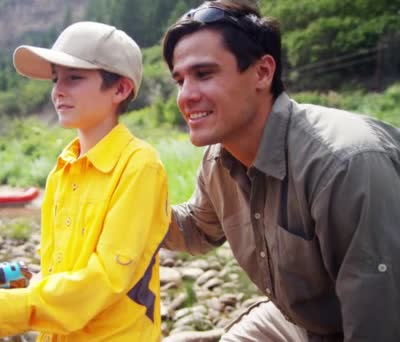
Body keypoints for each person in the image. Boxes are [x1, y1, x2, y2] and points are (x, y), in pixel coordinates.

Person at [161, 0, 400, 341]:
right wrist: (128, 211)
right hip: (306, 321)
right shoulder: (219, 159)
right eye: (179, 80)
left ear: (263, 72)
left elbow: (379, 324)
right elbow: (200, 229)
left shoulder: (344, 164)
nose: (185, 96)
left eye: (203, 74)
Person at [0, 21, 170, 341]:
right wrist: (23, 289)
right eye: (56, 79)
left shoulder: (141, 166)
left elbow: (106, 281)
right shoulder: (62, 170)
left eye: (74, 78)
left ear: (120, 89)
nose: (58, 90)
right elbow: (56, 269)